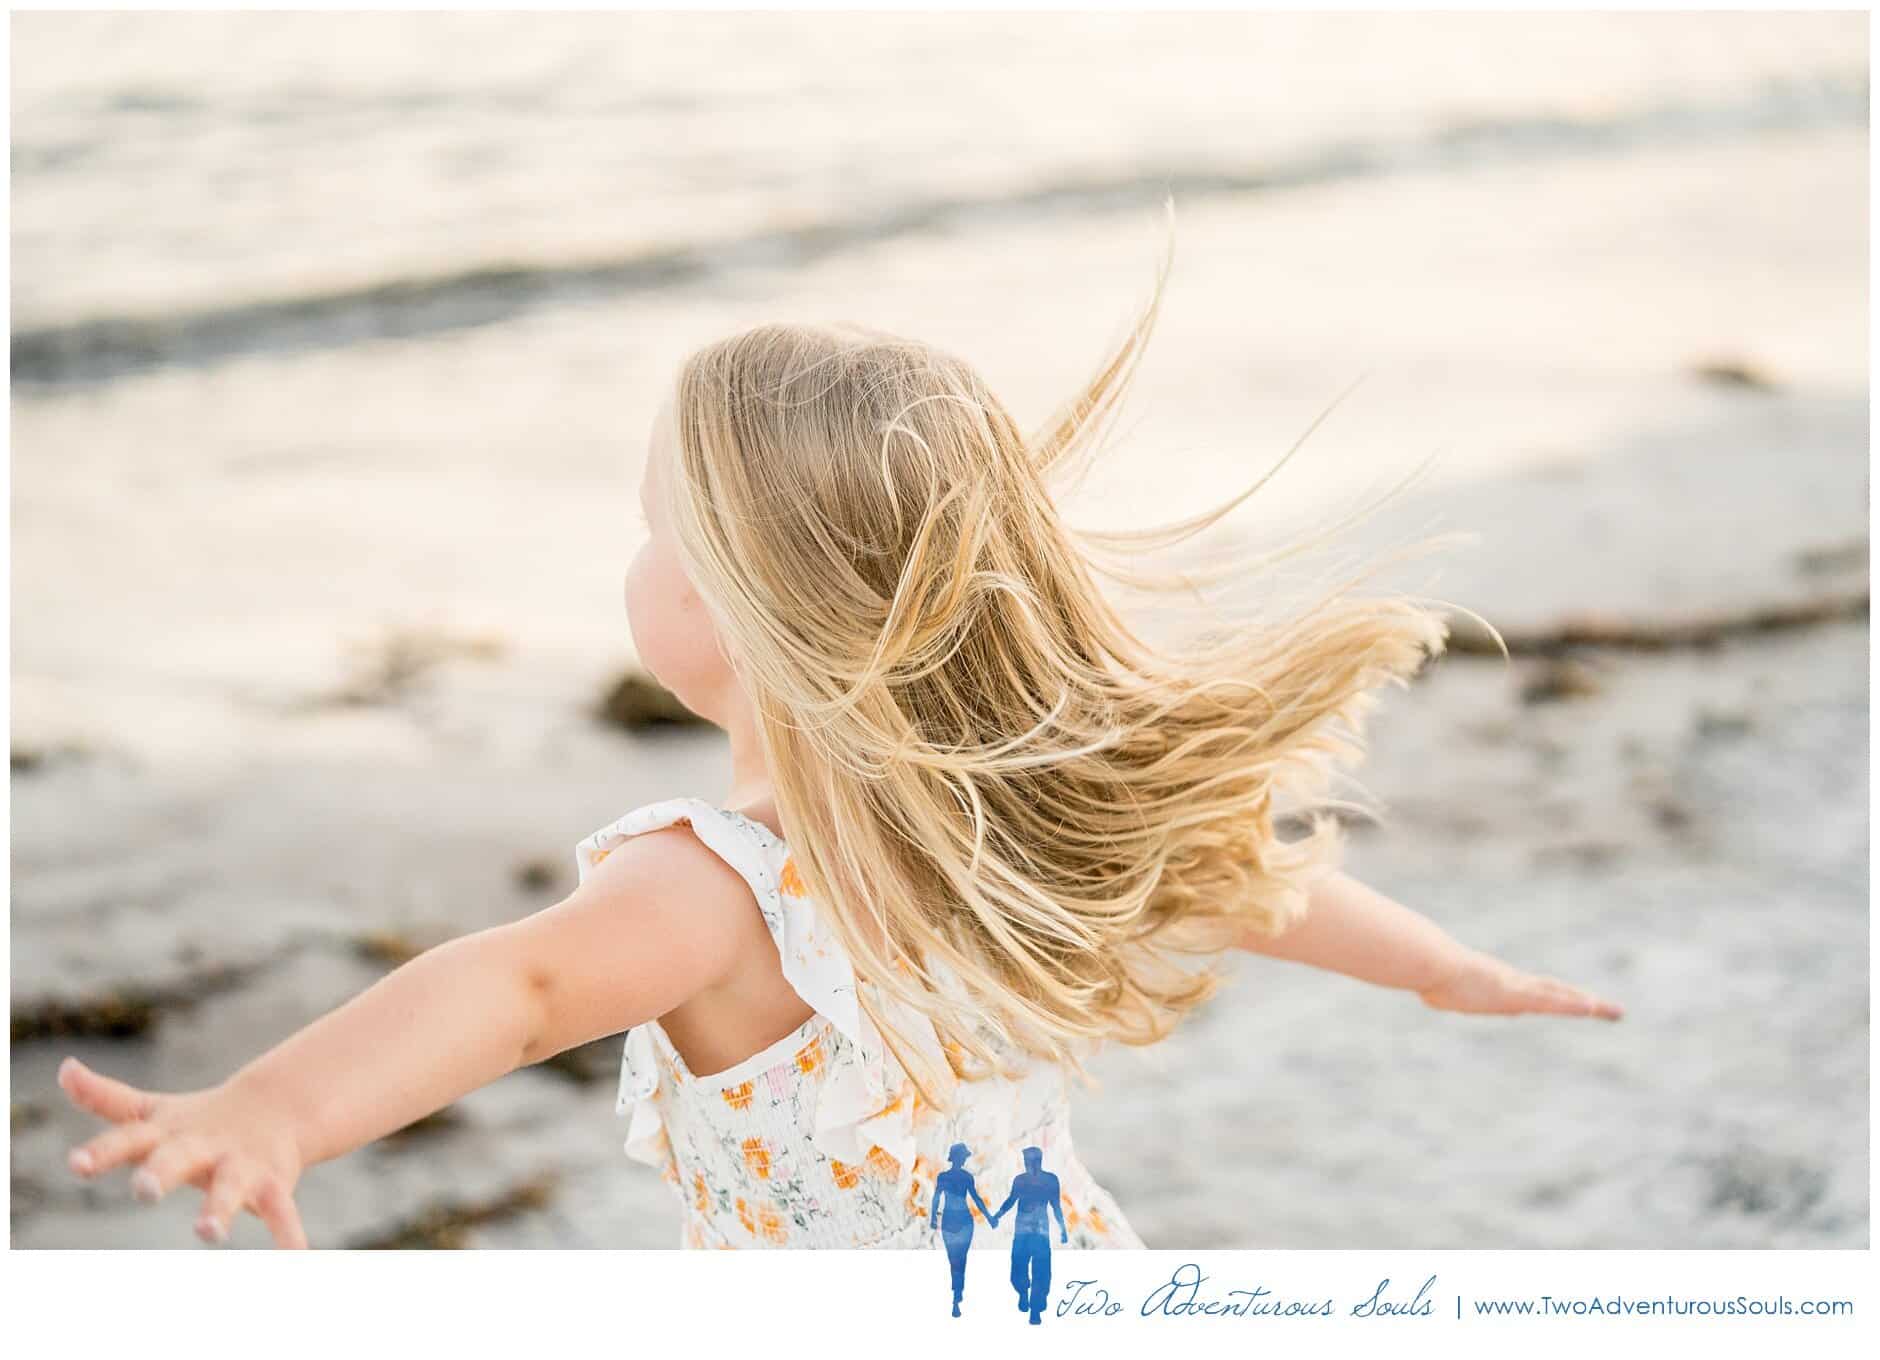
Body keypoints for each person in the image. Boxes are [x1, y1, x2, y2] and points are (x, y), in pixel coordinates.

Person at [54, 203, 1623, 1249]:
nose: (634, 561)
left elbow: (519, 991)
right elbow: (1239, 879)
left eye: (657, 532)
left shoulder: (717, 890)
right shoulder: (1009, 823)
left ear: (748, 614)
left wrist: (278, 1108)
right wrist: (1442, 970)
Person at [990, 1146, 1067, 1324]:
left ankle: (1035, 1309)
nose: (1026, 1165)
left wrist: (1063, 1229)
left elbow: (1056, 1207)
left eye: (1028, 1161)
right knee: (1021, 1269)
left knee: (1038, 1272)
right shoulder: (1025, 1180)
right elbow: (1011, 1200)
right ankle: (1024, 1294)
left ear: (1037, 1161)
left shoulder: (1048, 1181)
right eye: (1025, 1162)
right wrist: (998, 1215)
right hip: (1028, 1232)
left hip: (1036, 1233)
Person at [929, 1143, 992, 1315]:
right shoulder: (964, 1177)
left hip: (952, 1220)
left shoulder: (945, 1177)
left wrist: (934, 1217)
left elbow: (937, 1198)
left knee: (955, 1259)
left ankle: (957, 1293)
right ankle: (957, 1292)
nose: (964, 1159)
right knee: (959, 1259)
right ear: (959, 1158)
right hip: (962, 1220)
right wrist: (990, 1218)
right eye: (963, 1156)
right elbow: (976, 1200)